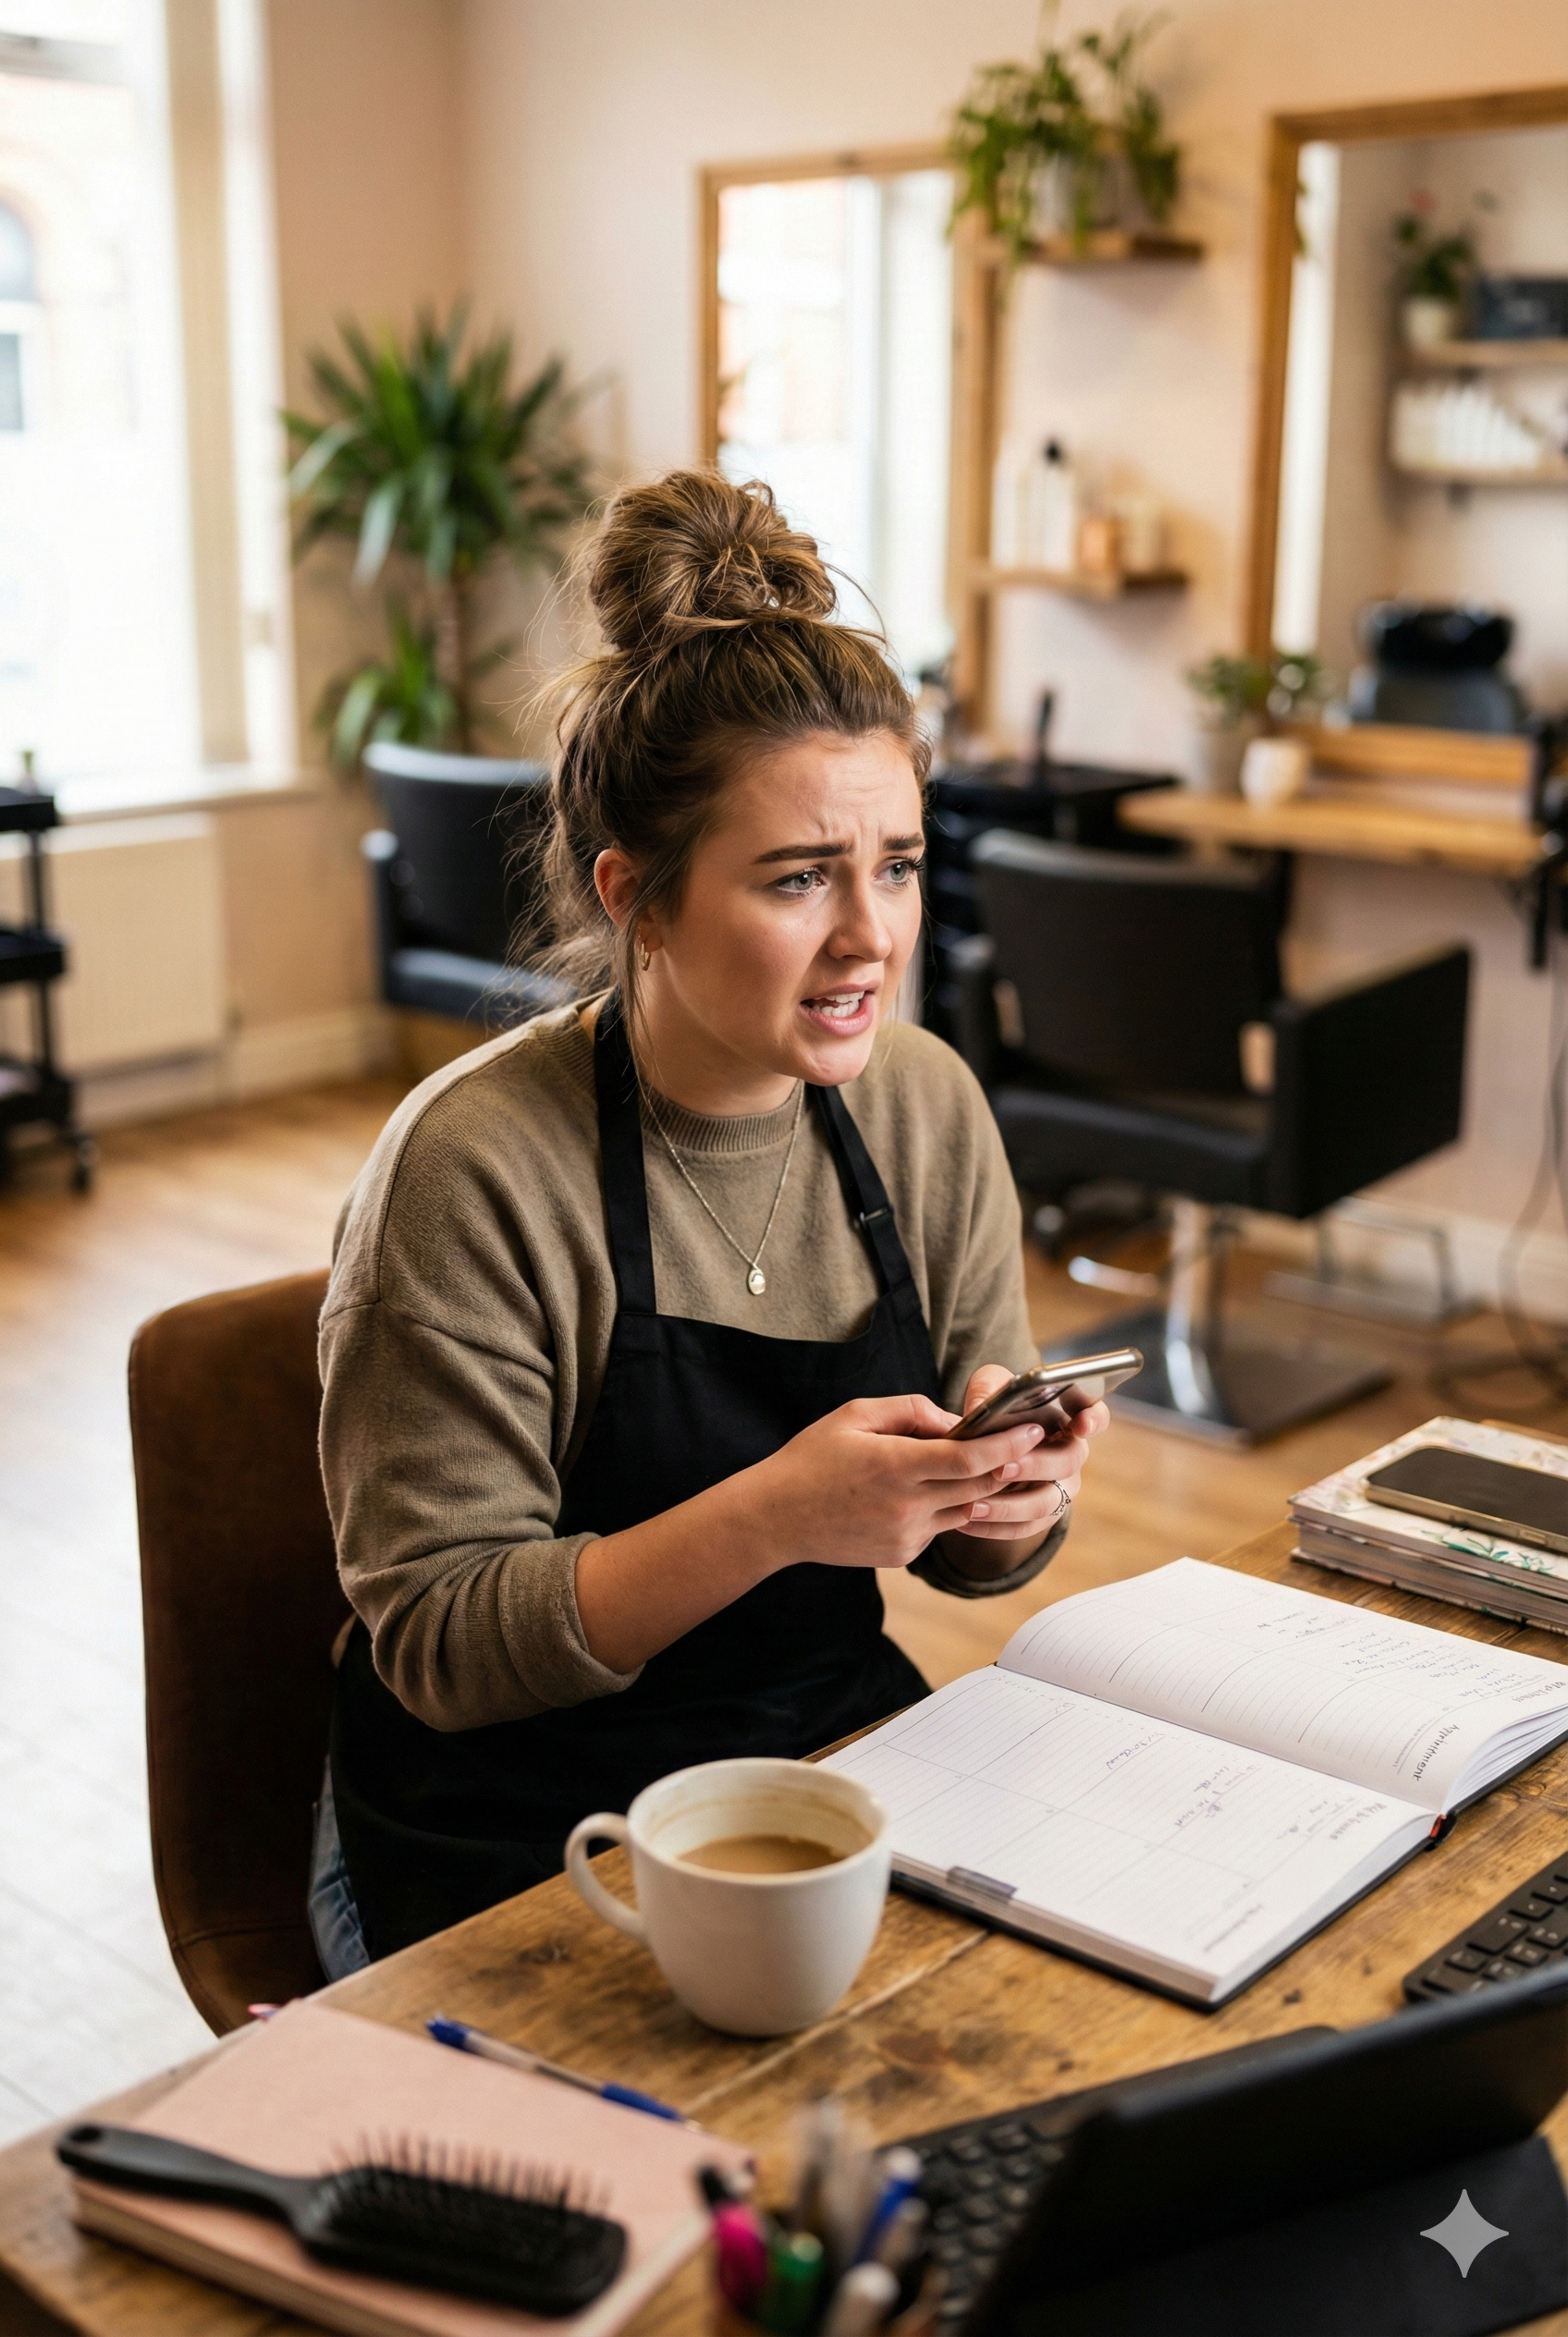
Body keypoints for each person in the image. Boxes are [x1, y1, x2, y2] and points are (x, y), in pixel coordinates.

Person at [311, 470, 1109, 1972]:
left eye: (898, 865)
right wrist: (777, 1515)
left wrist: (1008, 1498)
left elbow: (962, 1567)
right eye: (800, 879)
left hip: (821, 1763)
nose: (870, 937)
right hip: (513, 1829)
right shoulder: (475, 1168)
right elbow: (438, 1643)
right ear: (640, 899)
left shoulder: (922, 1108)